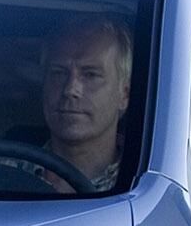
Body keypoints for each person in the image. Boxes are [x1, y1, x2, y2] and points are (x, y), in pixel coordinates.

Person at [15, 17, 133, 193]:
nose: (70, 89)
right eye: (59, 73)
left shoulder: (145, 186)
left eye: (90, 75)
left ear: (124, 94)